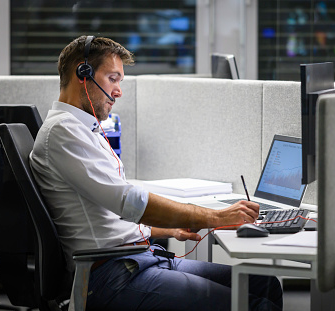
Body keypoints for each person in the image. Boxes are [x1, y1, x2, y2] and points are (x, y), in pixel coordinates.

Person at [29, 35, 283, 311]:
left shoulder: (83, 129)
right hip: (110, 276)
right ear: (83, 73)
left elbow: (106, 219)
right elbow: (128, 202)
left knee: (264, 283)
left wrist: (167, 228)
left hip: (138, 259)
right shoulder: (64, 132)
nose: (118, 91)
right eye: (113, 79)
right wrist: (215, 216)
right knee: (255, 305)